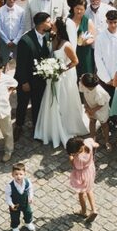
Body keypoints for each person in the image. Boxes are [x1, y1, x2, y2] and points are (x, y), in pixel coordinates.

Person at [34, 18, 89, 148]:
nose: (50, 26)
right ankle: (49, 129)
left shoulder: (67, 45)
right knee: (51, 102)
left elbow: (75, 61)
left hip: (64, 77)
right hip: (53, 77)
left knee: (63, 102)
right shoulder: (53, 39)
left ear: (58, 28)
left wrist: (62, 69)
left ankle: (65, 126)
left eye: (52, 25)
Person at [14, 12, 55, 138]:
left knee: (38, 103)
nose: (51, 23)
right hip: (26, 78)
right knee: (22, 103)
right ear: (41, 24)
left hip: (40, 79)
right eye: (48, 21)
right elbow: (20, 64)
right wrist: (24, 82)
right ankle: (18, 126)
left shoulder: (48, 36)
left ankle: (37, 127)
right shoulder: (25, 41)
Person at [66, 136, 99, 222]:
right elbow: (96, 145)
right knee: (89, 189)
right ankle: (94, 209)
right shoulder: (87, 142)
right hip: (90, 169)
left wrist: (71, 157)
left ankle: (83, 211)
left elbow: (75, 166)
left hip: (81, 174)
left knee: (81, 193)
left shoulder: (78, 158)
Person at [0, 0, 26, 64]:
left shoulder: (21, 11)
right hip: (4, 41)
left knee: (19, 62)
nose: (12, 0)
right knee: (3, 62)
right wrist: (7, 41)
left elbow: (22, 27)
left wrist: (15, 40)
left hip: (17, 41)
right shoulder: (0, 10)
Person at [5, 162, 36, 231]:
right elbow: (7, 196)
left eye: (20, 174)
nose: (18, 176)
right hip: (15, 205)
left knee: (28, 212)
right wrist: (11, 204)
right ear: (12, 174)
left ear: (24, 174)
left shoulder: (27, 182)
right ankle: (15, 227)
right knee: (15, 216)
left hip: (25, 202)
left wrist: (30, 197)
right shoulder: (10, 185)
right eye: (16, 174)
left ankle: (28, 222)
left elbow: (30, 189)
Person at [79, 73, 111, 144]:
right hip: (90, 106)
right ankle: (92, 139)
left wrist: (92, 110)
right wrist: (86, 106)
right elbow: (84, 94)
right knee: (92, 121)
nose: (80, 80)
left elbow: (102, 104)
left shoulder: (99, 92)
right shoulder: (83, 84)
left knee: (104, 125)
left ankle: (107, 141)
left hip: (101, 109)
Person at [68, 0, 96, 76]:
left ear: (85, 10)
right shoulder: (67, 19)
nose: (79, 11)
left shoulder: (88, 21)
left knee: (85, 76)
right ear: (73, 8)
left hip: (83, 52)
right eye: (77, 8)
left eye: (81, 9)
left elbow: (92, 38)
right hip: (70, 52)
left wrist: (85, 42)